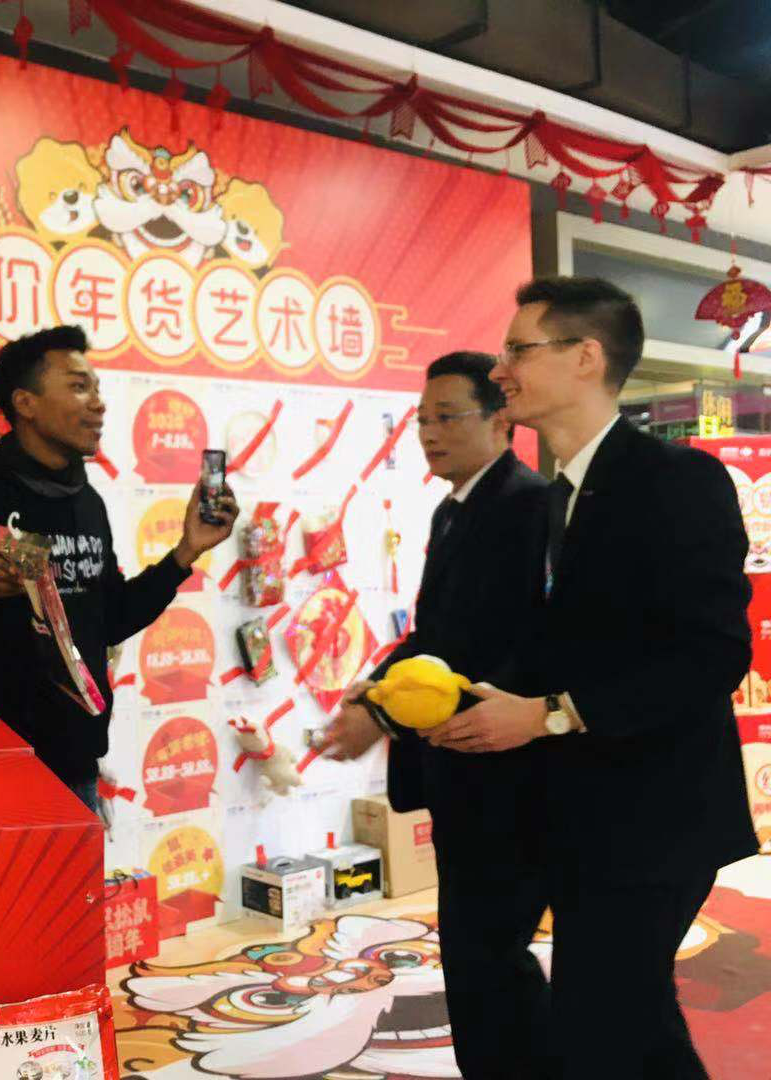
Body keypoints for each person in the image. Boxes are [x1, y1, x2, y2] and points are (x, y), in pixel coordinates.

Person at [433, 276, 756, 1079]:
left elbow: (713, 654)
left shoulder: (678, 480)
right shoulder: (556, 497)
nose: (500, 371)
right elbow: (556, 644)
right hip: (583, 814)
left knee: (602, 1020)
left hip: (660, 815)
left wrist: (551, 713)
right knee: (623, 1022)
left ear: (585, 357)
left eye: (518, 350)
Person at [324, 351, 550, 1080]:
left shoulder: (527, 505)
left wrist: (385, 714)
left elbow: (502, 650)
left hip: (506, 769)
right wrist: (373, 693)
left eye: (448, 417)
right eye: (422, 419)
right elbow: (434, 636)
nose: (428, 433)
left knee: (488, 954)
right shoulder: (455, 509)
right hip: (461, 766)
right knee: (475, 954)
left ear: (502, 419)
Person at [0, 326, 237, 810]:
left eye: (96, 388)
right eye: (78, 386)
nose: (99, 404)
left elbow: (110, 619)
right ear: (25, 403)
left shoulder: (87, 502)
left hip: (76, 772)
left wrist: (185, 553)